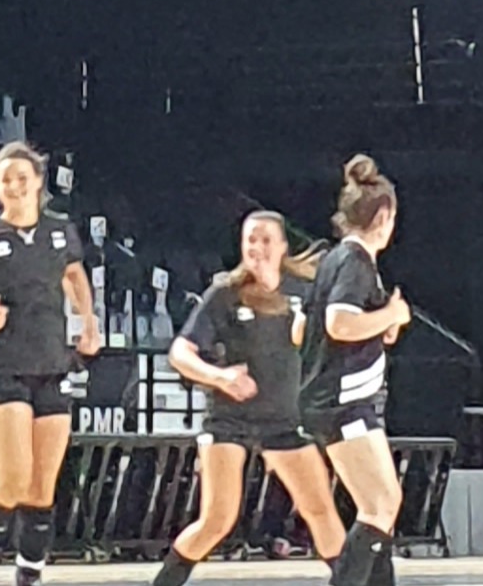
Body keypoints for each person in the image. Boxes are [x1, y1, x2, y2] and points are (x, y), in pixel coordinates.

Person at [154, 210, 348, 586]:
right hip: (230, 420)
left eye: (265, 240)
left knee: (321, 510)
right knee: (217, 520)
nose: (257, 248)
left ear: (282, 247)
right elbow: (180, 352)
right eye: (250, 240)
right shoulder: (225, 293)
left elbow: (337, 330)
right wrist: (220, 376)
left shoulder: (304, 290)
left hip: (286, 421)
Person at [0, 141, 100, 586]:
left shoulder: (59, 230)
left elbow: (73, 273)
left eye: (21, 177)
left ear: (37, 181)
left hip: (52, 362)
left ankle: (29, 575)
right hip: (3, 365)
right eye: (5, 179)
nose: (13, 186)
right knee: (11, 481)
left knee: (41, 489)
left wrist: (88, 320)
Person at [302, 156, 412, 586]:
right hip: (343, 402)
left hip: (343, 399)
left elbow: (307, 328)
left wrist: (383, 324)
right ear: (384, 216)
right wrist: (393, 315)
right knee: (378, 506)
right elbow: (339, 323)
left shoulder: (333, 260)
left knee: (384, 505)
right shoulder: (355, 263)